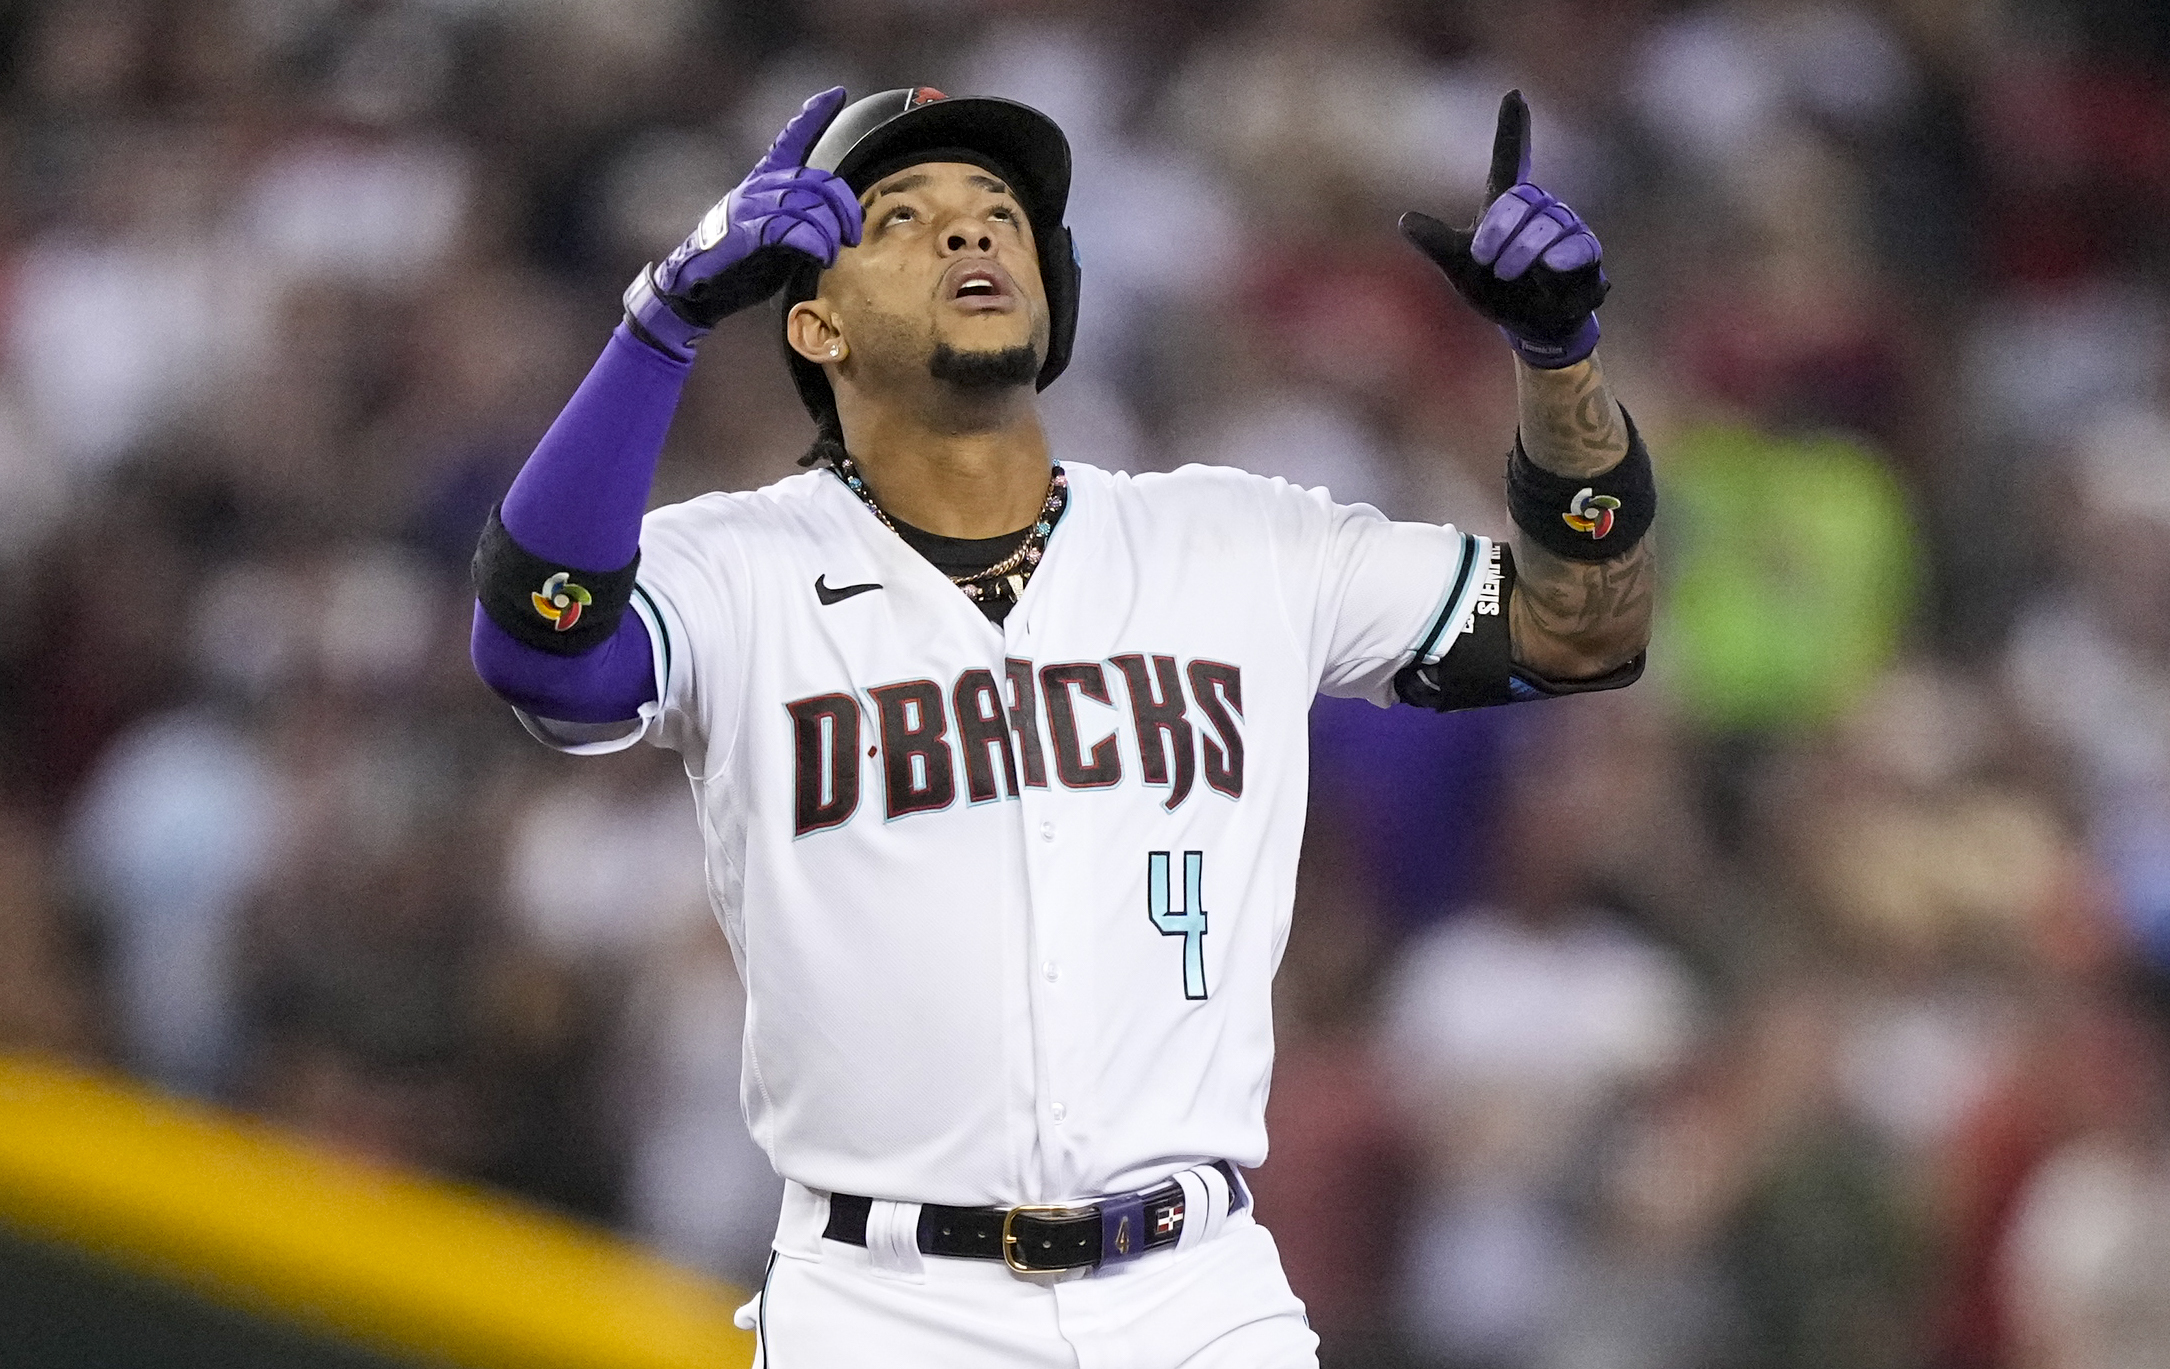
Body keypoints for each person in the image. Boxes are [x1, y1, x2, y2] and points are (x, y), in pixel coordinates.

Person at [469, 84, 1653, 1365]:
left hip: (1199, 1297)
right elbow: (542, 646)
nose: (970, 235)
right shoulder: (737, 566)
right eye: (903, 219)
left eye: (1000, 216)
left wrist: (1558, 362)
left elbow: (1579, 624)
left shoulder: (1234, 538)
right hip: (884, 1303)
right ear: (813, 321)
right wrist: (662, 319)